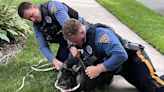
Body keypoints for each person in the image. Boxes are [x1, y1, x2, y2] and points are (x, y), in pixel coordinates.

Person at [62, 19, 164, 92]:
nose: (74, 44)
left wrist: (98, 69)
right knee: (145, 88)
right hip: (123, 68)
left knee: (155, 88)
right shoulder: (82, 38)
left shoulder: (101, 35)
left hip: (135, 59)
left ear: (82, 32)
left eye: (75, 41)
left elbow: (121, 55)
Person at [17, 1, 89, 70]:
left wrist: (72, 46)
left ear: (34, 7)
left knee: (81, 60)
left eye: (31, 15)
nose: (33, 20)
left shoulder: (53, 7)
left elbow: (70, 28)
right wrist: (54, 60)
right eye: (29, 19)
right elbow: (43, 46)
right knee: (62, 64)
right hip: (66, 41)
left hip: (81, 33)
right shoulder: (37, 26)